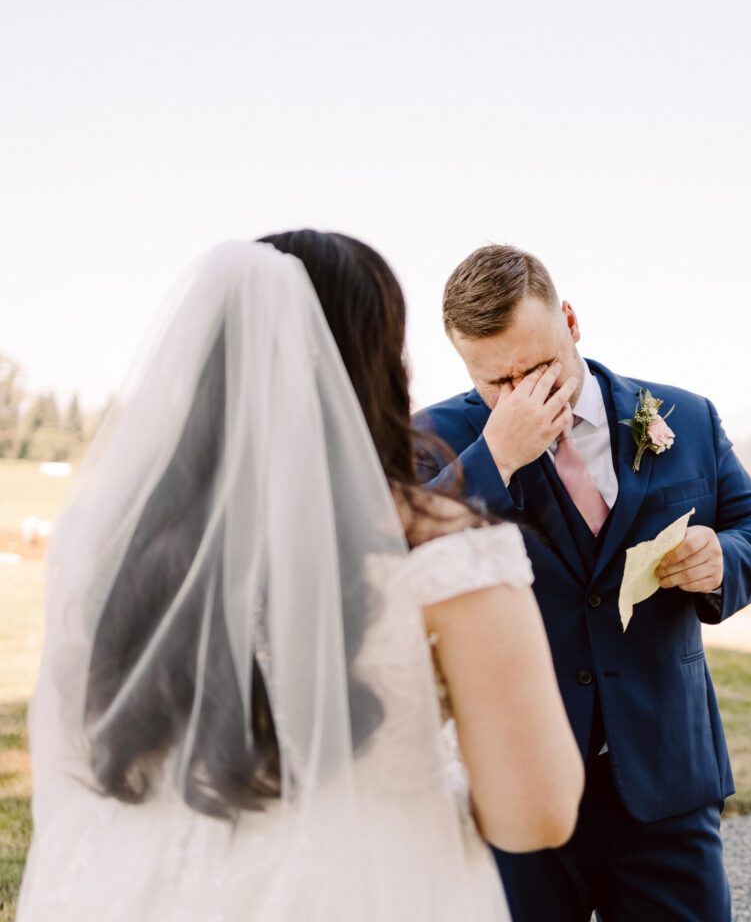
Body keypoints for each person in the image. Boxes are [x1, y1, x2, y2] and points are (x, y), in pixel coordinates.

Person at [17, 236, 583, 922]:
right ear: (377, 369)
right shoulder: (449, 551)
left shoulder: (107, 542)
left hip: (141, 890)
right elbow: (536, 816)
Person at [415, 244, 751, 922]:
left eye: (538, 366)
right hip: (514, 784)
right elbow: (397, 566)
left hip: (666, 780)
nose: (524, 391)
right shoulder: (434, 440)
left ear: (570, 320)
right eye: (498, 382)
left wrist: (721, 558)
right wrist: (497, 455)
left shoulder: (687, 416)